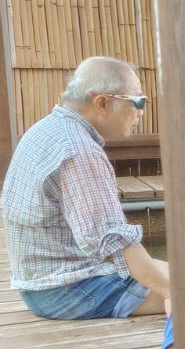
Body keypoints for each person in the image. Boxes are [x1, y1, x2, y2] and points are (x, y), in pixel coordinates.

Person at [1, 57, 170, 319]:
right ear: (102, 103)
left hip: (39, 284)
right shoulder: (79, 152)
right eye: (137, 101)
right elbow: (116, 242)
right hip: (70, 290)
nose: (141, 111)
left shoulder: (45, 129)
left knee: (184, 273)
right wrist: (172, 293)